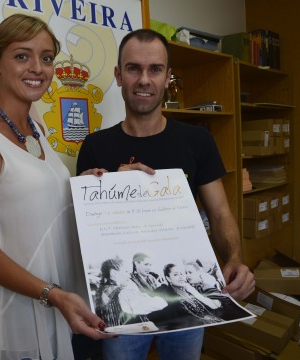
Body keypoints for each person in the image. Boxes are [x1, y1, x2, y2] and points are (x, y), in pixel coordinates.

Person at [76, 28, 255, 360]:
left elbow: (220, 213)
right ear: (118, 75)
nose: (144, 79)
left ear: (168, 77)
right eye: (133, 68)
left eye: (155, 69)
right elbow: (85, 233)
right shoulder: (95, 146)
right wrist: (107, 185)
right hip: (127, 301)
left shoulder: (197, 141)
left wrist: (234, 260)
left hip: (182, 294)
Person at [0, 14, 111, 360]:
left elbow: (33, 204)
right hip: (18, 311)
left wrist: (92, 185)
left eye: (47, 57)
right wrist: (53, 294)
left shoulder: (37, 130)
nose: (37, 67)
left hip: (59, 302)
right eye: (22, 56)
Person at [95, 257, 167, 328]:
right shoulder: (124, 292)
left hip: (112, 334)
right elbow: (160, 304)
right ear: (114, 273)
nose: (129, 275)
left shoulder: (102, 291)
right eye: (126, 271)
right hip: (129, 335)